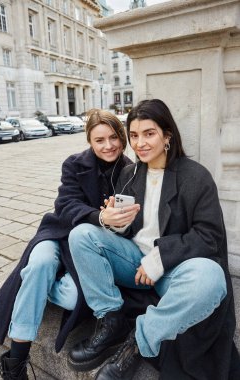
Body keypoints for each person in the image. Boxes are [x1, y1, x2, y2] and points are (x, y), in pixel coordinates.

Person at [68, 99, 240, 380]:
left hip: (174, 269)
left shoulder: (196, 177)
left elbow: (209, 236)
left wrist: (159, 259)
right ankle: (111, 320)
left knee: (211, 278)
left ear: (167, 136)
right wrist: (116, 222)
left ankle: (137, 343)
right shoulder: (129, 173)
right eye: (134, 136)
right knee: (82, 235)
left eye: (149, 134)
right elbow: (129, 230)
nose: (139, 144)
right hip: (133, 262)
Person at [0, 109, 136, 380]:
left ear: (122, 137)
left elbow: (128, 227)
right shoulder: (74, 164)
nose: (108, 145)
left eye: (113, 137)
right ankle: (15, 363)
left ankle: (38, 285)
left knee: (70, 296)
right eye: (99, 140)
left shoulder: (131, 171)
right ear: (90, 141)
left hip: (88, 249)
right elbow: (66, 205)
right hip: (59, 233)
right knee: (40, 264)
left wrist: (118, 222)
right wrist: (99, 216)